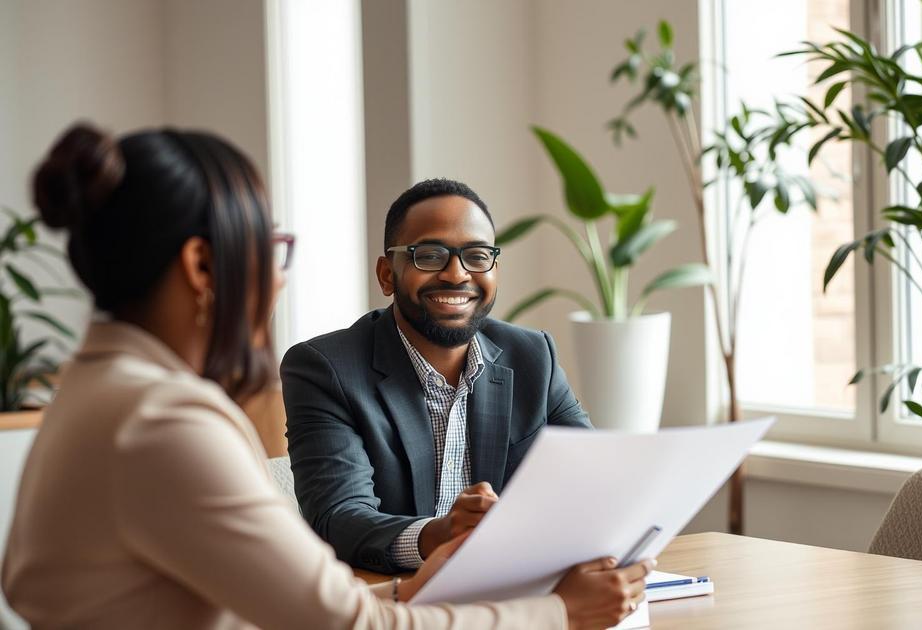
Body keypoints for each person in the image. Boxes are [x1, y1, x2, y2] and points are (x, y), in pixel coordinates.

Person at [0, 123, 650, 630]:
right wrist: (562, 613)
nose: (279, 277)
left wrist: (412, 590)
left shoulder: (103, 392)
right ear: (203, 264)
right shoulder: (160, 422)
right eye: (272, 248)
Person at [281, 178, 593, 573]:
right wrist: (440, 534)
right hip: (393, 603)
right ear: (387, 274)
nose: (456, 274)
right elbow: (338, 519)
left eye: (477, 256)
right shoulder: (325, 368)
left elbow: (591, 481)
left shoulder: (533, 357)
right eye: (429, 255)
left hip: (513, 592)